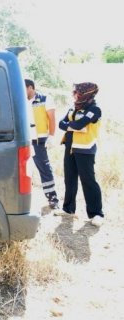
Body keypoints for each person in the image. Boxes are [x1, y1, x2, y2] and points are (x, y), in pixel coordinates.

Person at [55, 82, 104, 227]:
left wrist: (72, 127)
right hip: (70, 147)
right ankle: (68, 209)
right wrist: (73, 127)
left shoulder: (95, 109)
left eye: (77, 93)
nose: (74, 95)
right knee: (69, 178)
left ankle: (96, 213)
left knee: (88, 180)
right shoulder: (74, 107)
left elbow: (79, 124)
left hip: (85, 149)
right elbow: (61, 123)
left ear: (86, 94)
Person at [25, 79, 60, 209]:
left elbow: (52, 119)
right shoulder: (21, 100)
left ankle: (52, 198)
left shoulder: (45, 99)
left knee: (45, 169)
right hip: (25, 140)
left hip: (39, 141)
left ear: (30, 87)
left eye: (24, 88)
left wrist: (51, 136)